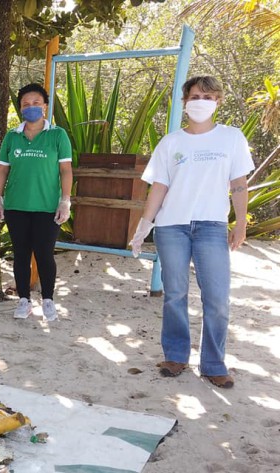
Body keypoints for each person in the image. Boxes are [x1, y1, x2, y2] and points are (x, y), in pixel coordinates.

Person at [130, 76, 253, 389]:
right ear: (184, 101)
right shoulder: (171, 143)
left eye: (208, 96)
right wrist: (144, 225)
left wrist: (240, 222)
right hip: (172, 227)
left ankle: (213, 364)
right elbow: (159, 187)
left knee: (217, 298)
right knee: (175, 294)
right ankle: (175, 355)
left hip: (211, 226)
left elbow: (238, 183)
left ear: (218, 101)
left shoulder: (231, 137)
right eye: (195, 95)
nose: (201, 101)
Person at [0, 83, 73, 322]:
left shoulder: (57, 135)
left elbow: (66, 170)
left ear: (45, 107)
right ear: (20, 108)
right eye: (26, 104)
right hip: (17, 206)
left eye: (36, 103)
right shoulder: (12, 136)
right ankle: (24, 300)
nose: (31, 108)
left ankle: (48, 300)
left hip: (47, 207)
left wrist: (65, 200)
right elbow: (1, 171)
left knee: (45, 254)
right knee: (21, 255)